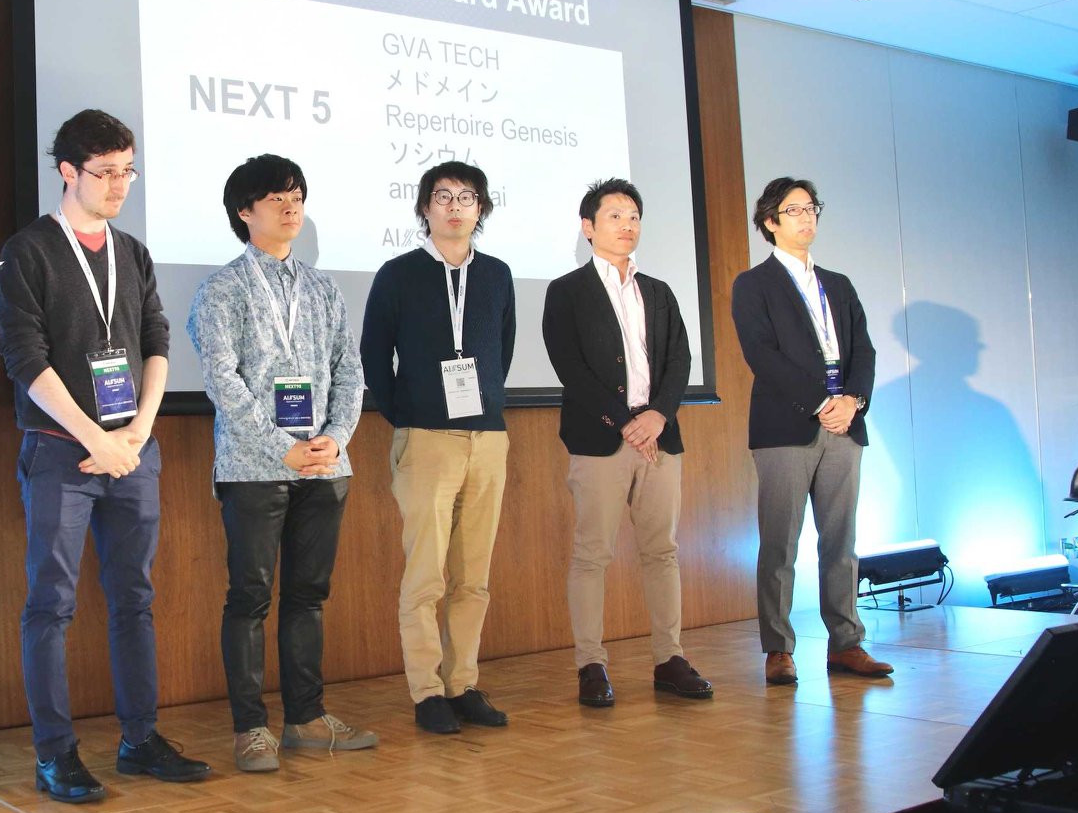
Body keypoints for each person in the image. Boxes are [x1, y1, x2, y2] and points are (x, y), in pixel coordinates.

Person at [0, 108, 210, 802]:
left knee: (134, 599)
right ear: (68, 171)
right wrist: (96, 439)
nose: (120, 185)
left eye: (128, 171)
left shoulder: (132, 252)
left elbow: (155, 340)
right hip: (64, 453)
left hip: (132, 451)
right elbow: (24, 359)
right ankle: (54, 754)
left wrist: (138, 431)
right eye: (106, 172)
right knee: (51, 605)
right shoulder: (29, 251)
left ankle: (140, 739)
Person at [186, 154, 376, 773]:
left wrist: (336, 437)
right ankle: (250, 729)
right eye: (275, 197)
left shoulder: (323, 288)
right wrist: (281, 446)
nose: (291, 206)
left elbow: (350, 369)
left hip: (324, 466)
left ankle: (306, 718)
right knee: (250, 597)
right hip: (254, 467)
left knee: (308, 595)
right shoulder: (222, 289)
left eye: (297, 195)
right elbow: (222, 381)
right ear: (245, 212)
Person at [541, 178, 711, 708]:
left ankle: (670, 659)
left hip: (659, 437)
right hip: (601, 439)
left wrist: (658, 414)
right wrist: (623, 421)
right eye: (614, 215)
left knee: (662, 550)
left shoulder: (658, 291)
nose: (627, 225)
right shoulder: (566, 291)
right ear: (588, 227)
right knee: (592, 553)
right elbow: (569, 365)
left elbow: (680, 359)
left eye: (633, 215)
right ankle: (590, 665)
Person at [360, 161, 516, 736]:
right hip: (426, 439)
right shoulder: (398, 274)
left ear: (481, 209)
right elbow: (374, 354)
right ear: (425, 207)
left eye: (467, 197)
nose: (455, 206)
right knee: (426, 576)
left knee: (473, 577)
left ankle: (463, 684)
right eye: (443, 196)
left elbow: (501, 348)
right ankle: (427, 691)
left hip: (488, 438)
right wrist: (406, 415)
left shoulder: (496, 275)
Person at [731, 177, 894, 686]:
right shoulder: (753, 284)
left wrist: (853, 401)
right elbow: (761, 355)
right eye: (793, 210)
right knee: (780, 544)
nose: (806, 218)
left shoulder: (838, 284)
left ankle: (846, 644)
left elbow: (863, 350)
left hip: (845, 425)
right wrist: (822, 403)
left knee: (841, 541)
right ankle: (778, 649)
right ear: (770, 222)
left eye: (811, 208)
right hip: (786, 427)